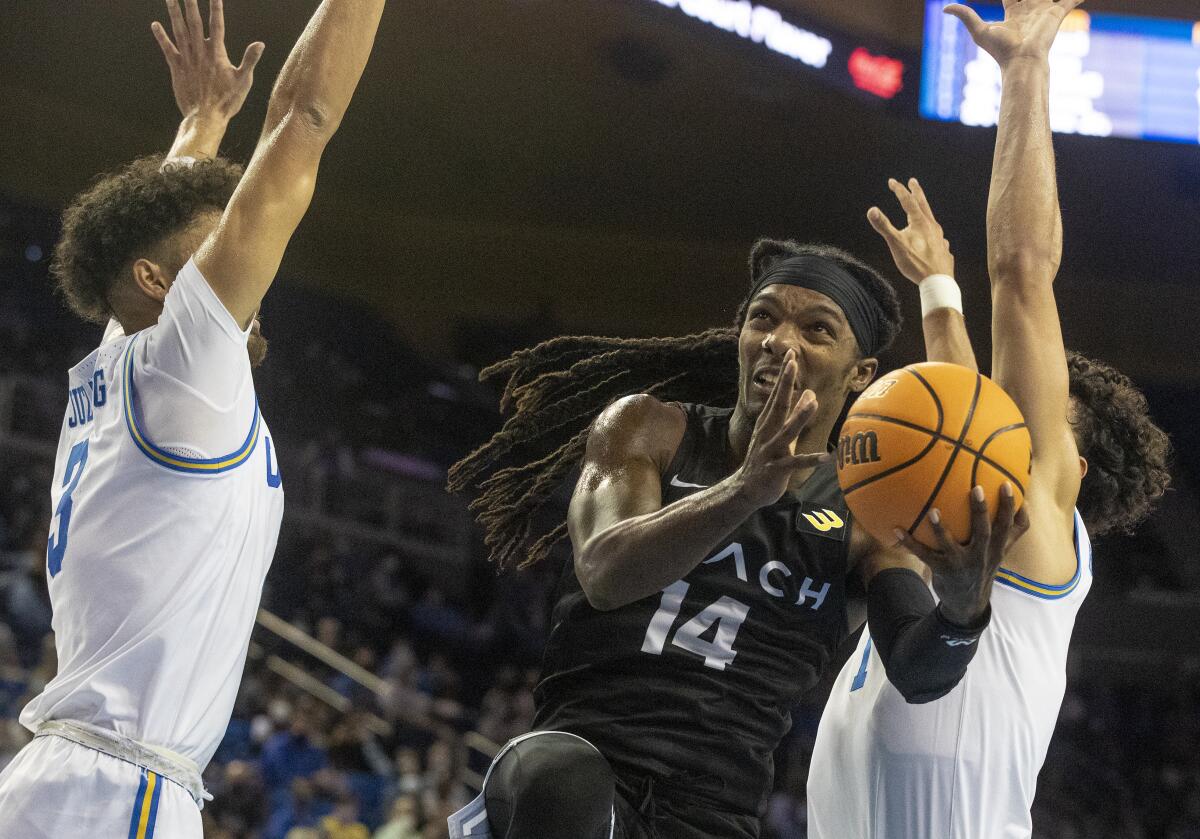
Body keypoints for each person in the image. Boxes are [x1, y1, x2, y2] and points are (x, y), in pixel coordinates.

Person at [448, 218, 1029, 832]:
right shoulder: (651, 428)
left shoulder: (866, 514)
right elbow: (605, 573)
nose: (780, 340)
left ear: (860, 375)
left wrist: (964, 611)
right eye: (764, 318)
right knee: (556, 776)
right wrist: (744, 492)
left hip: (713, 811)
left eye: (817, 330)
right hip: (579, 775)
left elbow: (919, 672)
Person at [0, 1, 387, 836]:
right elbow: (302, 120)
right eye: (214, 252)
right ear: (159, 283)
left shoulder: (122, 354)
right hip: (114, 789)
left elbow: (152, 224)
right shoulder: (185, 359)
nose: (244, 268)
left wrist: (203, 119)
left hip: (73, 780)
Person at [806, 2, 1171, 837]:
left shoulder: (1043, 528)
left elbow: (1022, 272)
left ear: (1069, 471)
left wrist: (1024, 73)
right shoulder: (963, 541)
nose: (1004, 418)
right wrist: (938, 291)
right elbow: (962, 418)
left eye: (1033, 419)